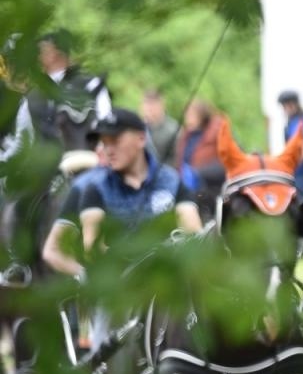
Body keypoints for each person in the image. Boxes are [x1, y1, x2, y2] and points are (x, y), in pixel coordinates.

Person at [41, 108, 203, 279]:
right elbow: (93, 251)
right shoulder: (93, 188)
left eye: (115, 140)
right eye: (104, 143)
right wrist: (85, 277)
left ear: (141, 138)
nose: (108, 150)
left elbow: (193, 235)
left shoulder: (172, 181)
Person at [11, 31, 114, 157]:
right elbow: (22, 140)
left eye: (41, 51)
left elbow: (107, 121)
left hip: (92, 162)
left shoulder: (91, 84)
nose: (36, 56)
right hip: (48, 169)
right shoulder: (33, 96)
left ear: (56, 52)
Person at [176, 99, 225, 200]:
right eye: (187, 115)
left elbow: (228, 162)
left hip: (210, 185)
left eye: (191, 115)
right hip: (187, 184)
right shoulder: (186, 136)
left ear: (202, 115)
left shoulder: (219, 131)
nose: (188, 119)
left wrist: (199, 173)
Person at [140, 88, 181, 167]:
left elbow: (179, 160)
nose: (149, 109)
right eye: (146, 104)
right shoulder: (138, 129)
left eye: (152, 104)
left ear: (162, 105)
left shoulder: (174, 129)